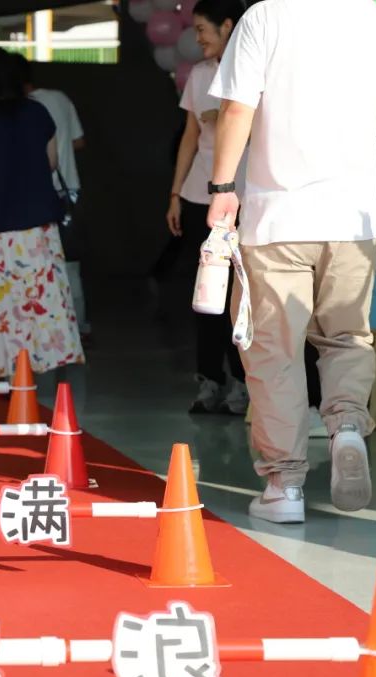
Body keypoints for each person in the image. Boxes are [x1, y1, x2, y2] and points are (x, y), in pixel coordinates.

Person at [207, 0, 376, 522]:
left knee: (274, 351)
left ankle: (284, 486)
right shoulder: (373, 18)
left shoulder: (265, 17)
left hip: (279, 218)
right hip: (353, 219)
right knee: (346, 337)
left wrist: (221, 188)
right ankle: (347, 426)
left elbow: (237, 110)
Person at [0, 48, 83, 381]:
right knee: (38, 300)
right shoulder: (37, 113)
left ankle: (4, 370)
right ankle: (37, 365)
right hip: (38, 227)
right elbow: (51, 162)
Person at [165, 0, 249, 415]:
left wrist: (230, 118)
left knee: (239, 296)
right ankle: (209, 379)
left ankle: (242, 384)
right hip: (201, 197)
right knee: (205, 295)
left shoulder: (253, 70)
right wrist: (175, 194)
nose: (196, 38)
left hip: (244, 197)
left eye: (202, 29)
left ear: (227, 25)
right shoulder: (199, 75)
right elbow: (190, 136)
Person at [14, 53, 91, 342]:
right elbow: (79, 141)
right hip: (69, 191)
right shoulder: (59, 98)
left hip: (35, 196)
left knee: (35, 265)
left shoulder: (22, 109)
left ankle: (43, 330)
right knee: (70, 264)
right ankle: (79, 327)